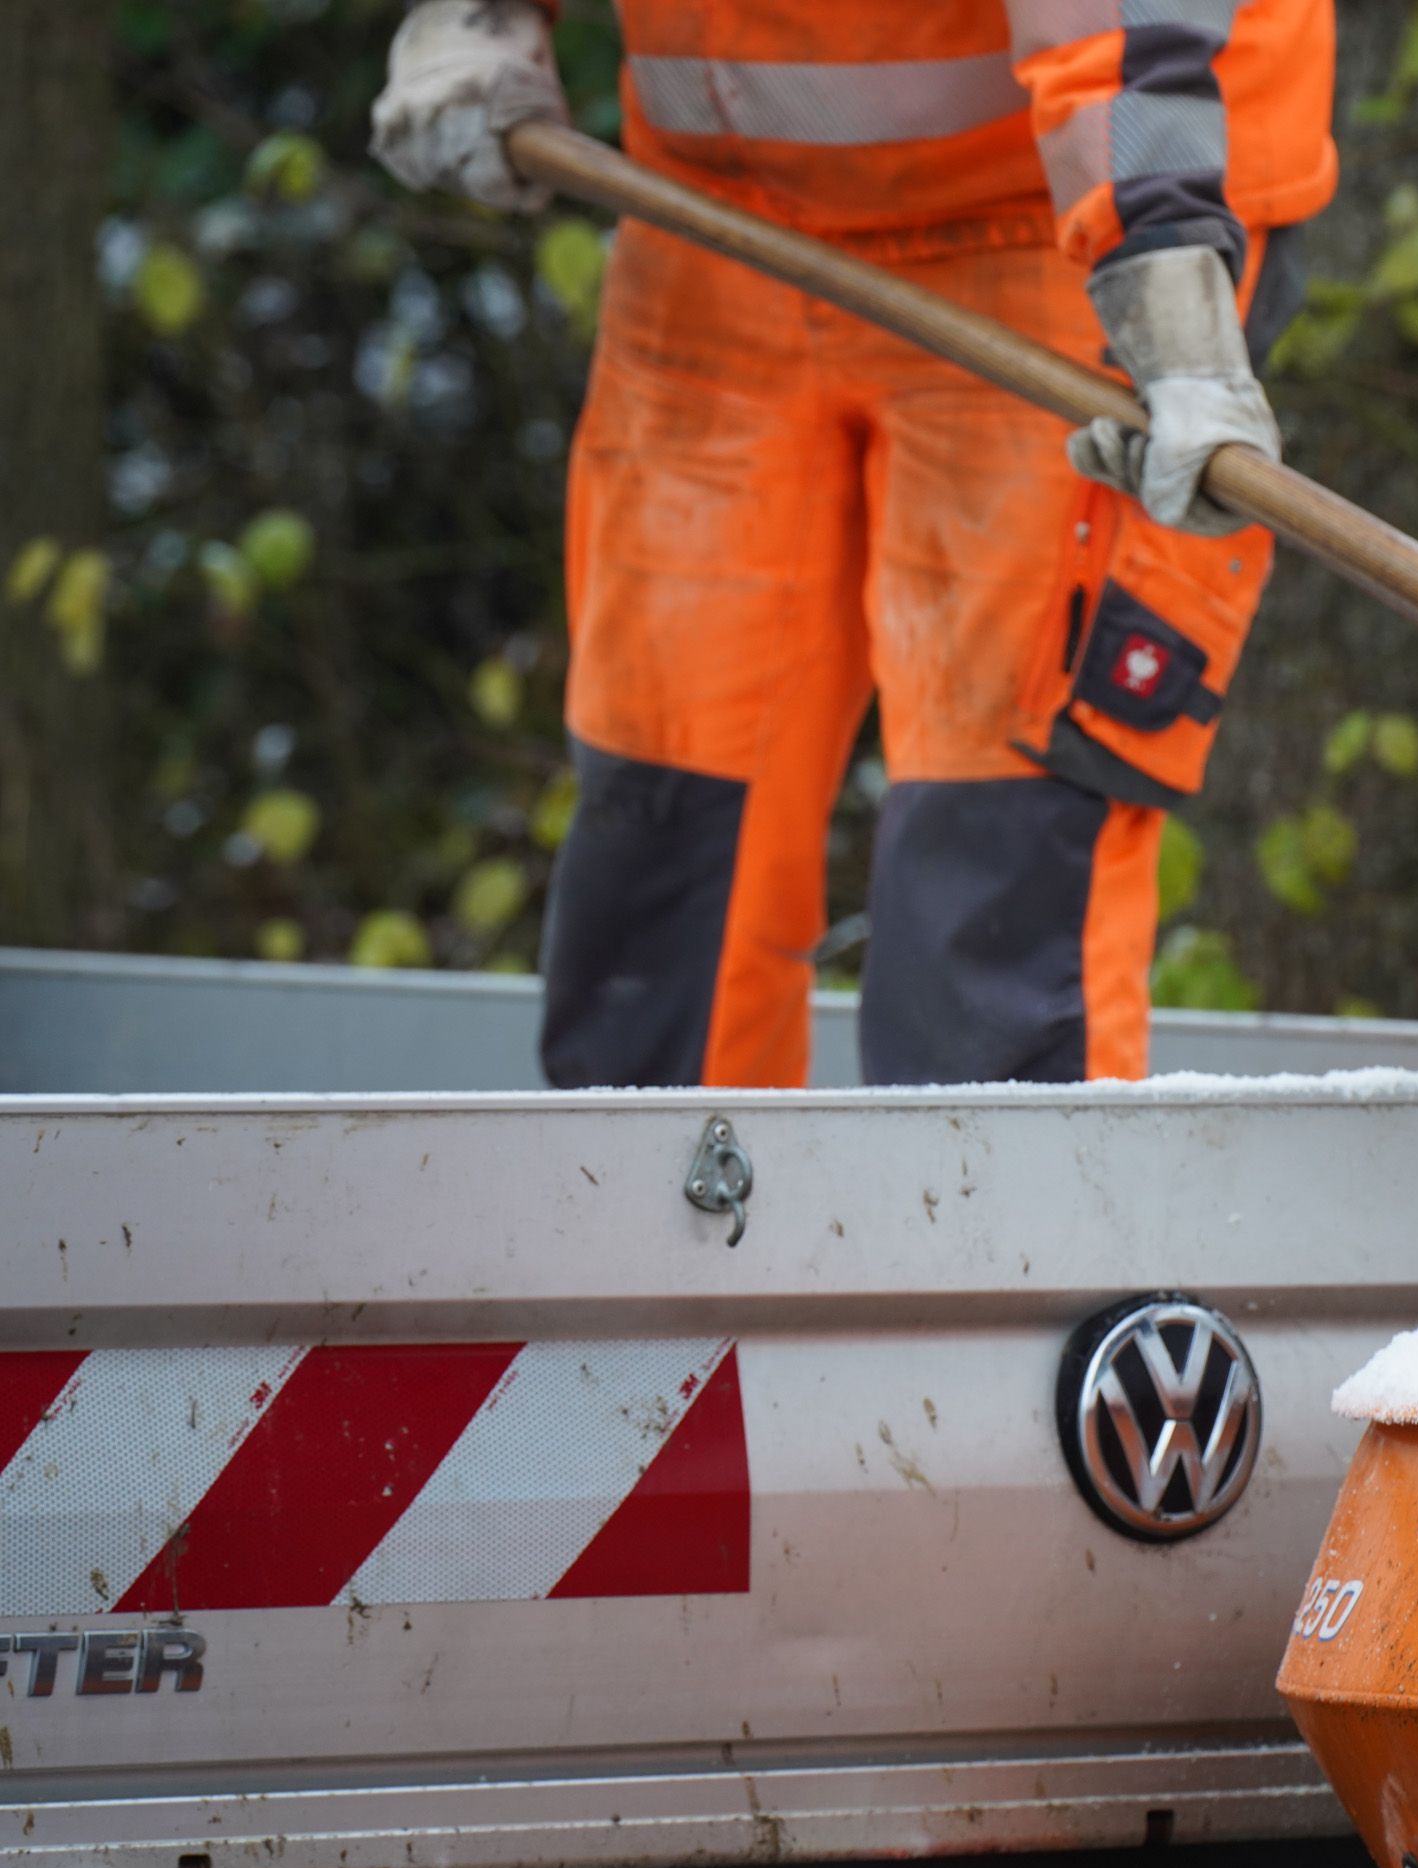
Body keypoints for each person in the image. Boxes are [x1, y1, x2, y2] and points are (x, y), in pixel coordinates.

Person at [369, 0, 1336, 1086]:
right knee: (668, 809)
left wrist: (1164, 278)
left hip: (1079, 202)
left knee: (995, 852)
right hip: (719, 212)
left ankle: (999, 1251)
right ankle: (650, 1244)